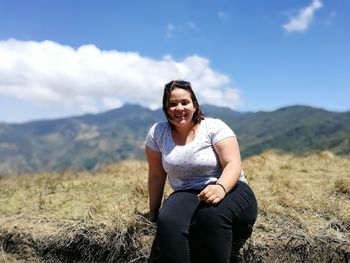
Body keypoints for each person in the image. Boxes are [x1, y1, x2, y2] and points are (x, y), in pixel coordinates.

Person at [145, 80, 258, 263]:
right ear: (166, 109)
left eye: (184, 102)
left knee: (209, 217)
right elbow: (157, 175)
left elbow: (233, 164)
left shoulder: (214, 127)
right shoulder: (157, 133)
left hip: (230, 187)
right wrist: (154, 212)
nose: (179, 108)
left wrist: (220, 188)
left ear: (195, 105)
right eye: (172, 104)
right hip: (186, 193)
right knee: (168, 222)